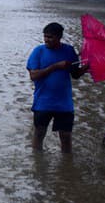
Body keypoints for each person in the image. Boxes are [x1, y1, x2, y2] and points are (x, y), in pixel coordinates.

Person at [26, 22, 88, 153]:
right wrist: (55, 66)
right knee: (39, 133)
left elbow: (75, 74)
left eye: (50, 37)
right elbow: (33, 75)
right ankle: (37, 163)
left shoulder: (69, 51)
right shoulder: (39, 51)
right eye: (45, 36)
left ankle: (67, 162)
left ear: (59, 37)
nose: (47, 40)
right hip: (43, 102)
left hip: (64, 103)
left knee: (66, 136)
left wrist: (86, 67)